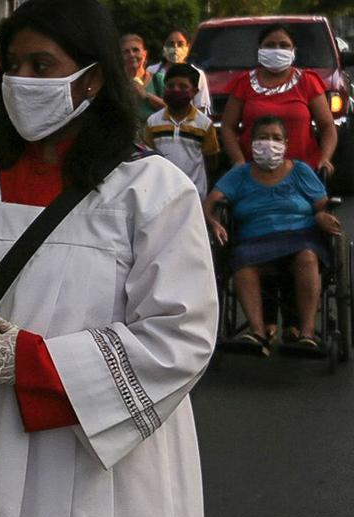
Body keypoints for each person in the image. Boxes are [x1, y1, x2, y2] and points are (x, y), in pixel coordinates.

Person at [0, 0, 217, 517]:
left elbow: (181, 333)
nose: (22, 80)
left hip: (96, 457)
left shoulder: (152, 190)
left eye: (42, 66)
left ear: (93, 79)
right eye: (13, 65)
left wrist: (31, 361)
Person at [204, 116, 339, 354]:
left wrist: (321, 216)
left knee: (308, 257)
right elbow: (209, 204)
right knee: (242, 261)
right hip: (254, 240)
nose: (269, 144)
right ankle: (257, 332)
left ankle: (307, 335)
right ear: (252, 142)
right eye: (263, 137)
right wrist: (214, 223)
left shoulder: (300, 171)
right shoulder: (240, 174)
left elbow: (321, 206)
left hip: (300, 236)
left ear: (286, 144)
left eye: (276, 138)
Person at [220, 24, 336, 177]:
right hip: (253, 174)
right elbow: (228, 126)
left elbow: (327, 126)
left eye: (284, 45)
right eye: (269, 45)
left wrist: (325, 158)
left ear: (293, 51)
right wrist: (238, 160)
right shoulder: (243, 83)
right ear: (259, 49)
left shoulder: (308, 81)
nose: (277, 50)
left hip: (302, 173)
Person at [143, 64, 220, 196]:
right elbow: (147, 157)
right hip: (161, 193)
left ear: (195, 91)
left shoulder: (204, 124)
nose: (176, 90)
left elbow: (211, 161)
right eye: (170, 86)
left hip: (194, 193)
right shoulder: (153, 122)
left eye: (183, 87)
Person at [147, 28, 211, 114]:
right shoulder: (152, 71)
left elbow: (201, 109)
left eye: (180, 44)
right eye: (171, 44)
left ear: (188, 47)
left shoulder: (197, 74)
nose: (175, 48)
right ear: (164, 46)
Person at [121, 33, 162, 124]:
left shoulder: (157, 80)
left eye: (136, 50)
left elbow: (173, 109)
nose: (131, 55)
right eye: (126, 52)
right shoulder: (117, 83)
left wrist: (147, 96)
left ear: (145, 53)